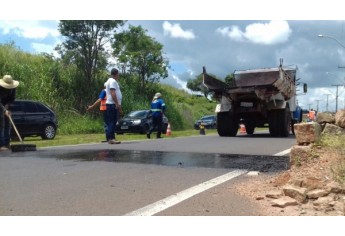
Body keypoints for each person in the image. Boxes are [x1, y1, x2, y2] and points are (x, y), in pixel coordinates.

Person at [0, 75, 19, 151]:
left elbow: (12, 99)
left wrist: (8, 105)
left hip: (7, 106)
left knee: (8, 124)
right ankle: (1, 145)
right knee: (1, 124)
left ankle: (7, 144)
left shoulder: (13, 88)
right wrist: (4, 110)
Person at [105, 68, 123, 144]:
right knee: (112, 122)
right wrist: (117, 103)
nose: (118, 76)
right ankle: (110, 138)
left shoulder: (109, 81)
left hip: (112, 104)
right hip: (112, 104)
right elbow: (113, 92)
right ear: (116, 74)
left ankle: (112, 137)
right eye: (118, 74)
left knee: (112, 121)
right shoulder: (112, 81)